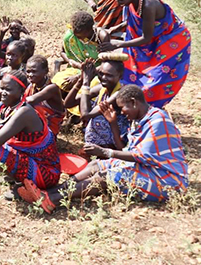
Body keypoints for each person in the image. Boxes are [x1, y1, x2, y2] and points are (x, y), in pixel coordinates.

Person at [19, 85, 188, 212]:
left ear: (134, 102)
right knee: (96, 165)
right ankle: (50, 191)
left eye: (123, 108)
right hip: (147, 169)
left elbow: (139, 156)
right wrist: (113, 125)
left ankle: (52, 199)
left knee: (110, 176)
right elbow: (125, 150)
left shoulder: (158, 121)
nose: (122, 112)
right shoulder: (140, 121)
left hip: (167, 181)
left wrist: (107, 152)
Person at [101, 0, 191, 107]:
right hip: (155, 38)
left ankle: (147, 107)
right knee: (133, 70)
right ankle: (130, 103)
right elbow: (132, 22)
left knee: (155, 76)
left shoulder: (148, 5)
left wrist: (119, 44)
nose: (119, 3)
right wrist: (113, 29)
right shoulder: (132, 0)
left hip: (172, 40)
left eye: (121, 0)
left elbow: (146, 38)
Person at [0, 69, 61, 192]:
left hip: (46, 174)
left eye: (8, 89)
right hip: (32, 162)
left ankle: (22, 185)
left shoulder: (24, 111)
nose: (3, 93)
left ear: (21, 91)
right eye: (2, 88)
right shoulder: (6, 107)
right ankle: (19, 179)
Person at [62, 60, 130, 148]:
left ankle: (104, 150)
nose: (104, 77)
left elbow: (85, 115)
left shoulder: (119, 94)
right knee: (85, 99)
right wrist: (81, 80)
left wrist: (86, 83)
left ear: (120, 76)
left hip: (116, 140)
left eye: (109, 75)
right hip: (102, 136)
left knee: (92, 108)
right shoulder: (102, 88)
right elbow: (68, 104)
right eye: (101, 73)